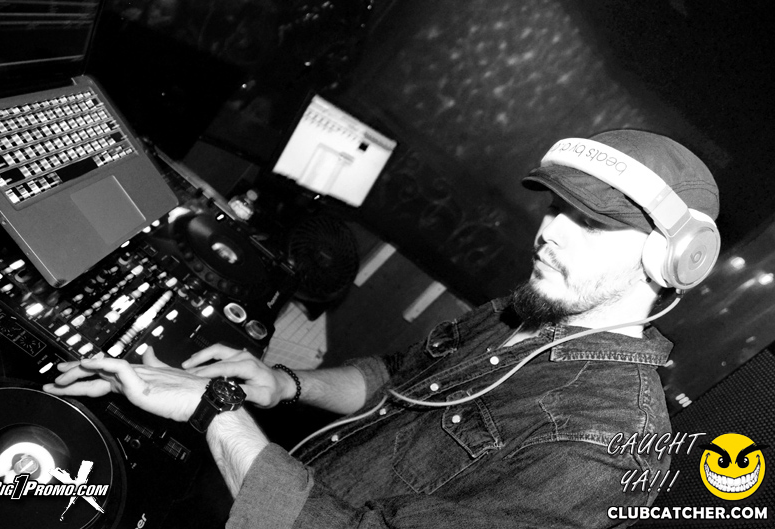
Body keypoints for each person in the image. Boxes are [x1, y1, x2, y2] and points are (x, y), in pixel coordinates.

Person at [44, 129, 720, 528]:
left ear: (670, 258)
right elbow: (397, 379)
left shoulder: (609, 447)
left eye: (591, 222)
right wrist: (282, 383)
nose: (550, 233)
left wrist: (215, 410)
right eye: (555, 208)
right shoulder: (525, 309)